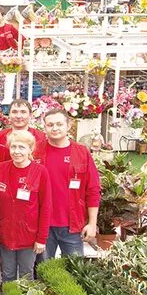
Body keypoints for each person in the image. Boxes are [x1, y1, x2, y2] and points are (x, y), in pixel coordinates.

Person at [0, 130, 51, 295]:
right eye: (13, 147)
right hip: (6, 235)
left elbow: (46, 207)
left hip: (29, 237)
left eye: (21, 147)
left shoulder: (40, 172)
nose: (16, 151)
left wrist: (41, 238)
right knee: (7, 275)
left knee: (26, 275)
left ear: (30, 149)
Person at [41, 109, 101, 259]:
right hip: (43, 226)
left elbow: (93, 189)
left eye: (59, 124)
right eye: (50, 125)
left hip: (72, 226)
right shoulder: (36, 151)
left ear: (68, 126)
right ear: (45, 127)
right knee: (42, 271)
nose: (55, 128)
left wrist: (92, 224)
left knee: (74, 271)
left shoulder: (81, 152)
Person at [0, 99, 47, 165]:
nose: (18, 116)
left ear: (30, 115)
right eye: (14, 112)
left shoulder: (40, 137)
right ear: (9, 115)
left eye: (23, 112)